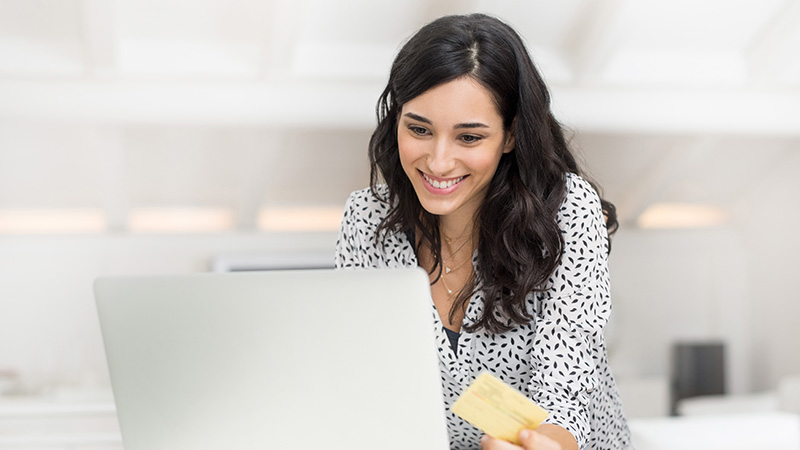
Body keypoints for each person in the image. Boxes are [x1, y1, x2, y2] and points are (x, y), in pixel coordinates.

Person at [335, 13, 631, 450]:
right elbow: (366, 382)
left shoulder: (567, 213)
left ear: (509, 136)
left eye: (469, 138)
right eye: (418, 129)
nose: (437, 162)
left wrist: (539, 444)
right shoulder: (367, 219)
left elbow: (564, 395)